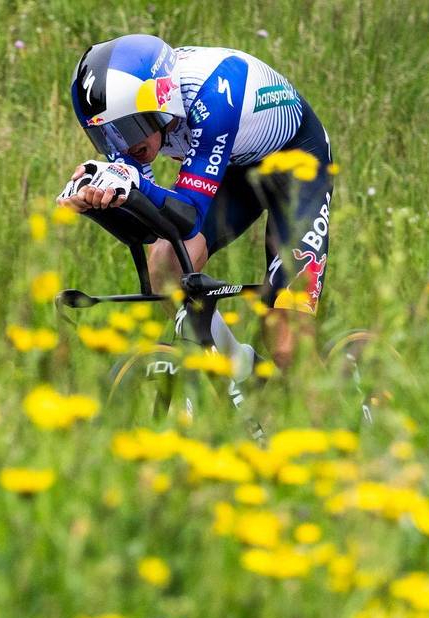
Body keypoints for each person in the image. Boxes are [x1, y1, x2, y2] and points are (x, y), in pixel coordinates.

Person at [56, 34, 333, 371]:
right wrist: (98, 202)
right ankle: (241, 376)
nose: (122, 146)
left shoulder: (214, 93)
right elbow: (149, 228)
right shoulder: (130, 117)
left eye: (127, 129)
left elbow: (188, 216)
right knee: (166, 262)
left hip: (297, 166)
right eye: (106, 136)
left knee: (287, 343)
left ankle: (344, 418)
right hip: (232, 168)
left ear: (162, 100)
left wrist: (134, 183)